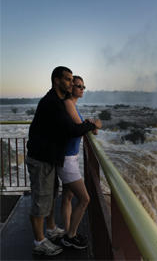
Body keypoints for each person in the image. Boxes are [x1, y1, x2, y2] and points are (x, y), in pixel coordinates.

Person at [26, 66, 101, 256]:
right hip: (41, 158)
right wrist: (92, 124)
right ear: (56, 80)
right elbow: (74, 130)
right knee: (41, 200)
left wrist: (88, 124)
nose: (71, 83)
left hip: (51, 158)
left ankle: (51, 230)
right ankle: (39, 241)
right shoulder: (53, 102)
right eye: (68, 80)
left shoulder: (59, 101)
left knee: (51, 195)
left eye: (71, 80)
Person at [58, 75, 93, 249]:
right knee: (85, 199)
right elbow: (81, 128)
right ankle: (71, 236)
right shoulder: (68, 104)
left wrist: (89, 124)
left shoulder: (73, 105)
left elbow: (82, 126)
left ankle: (67, 232)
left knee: (67, 196)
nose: (81, 89)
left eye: (83, 86)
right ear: (71, 87)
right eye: (78, 86)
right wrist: (93, 125)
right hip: (67, 160)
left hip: (69, 157)